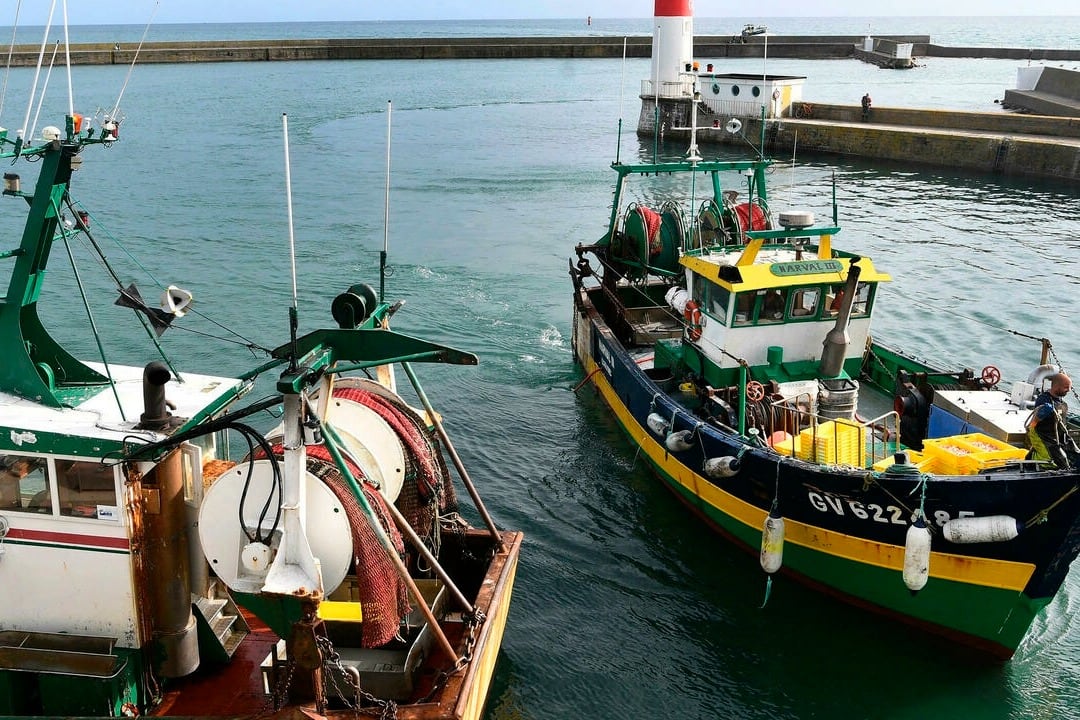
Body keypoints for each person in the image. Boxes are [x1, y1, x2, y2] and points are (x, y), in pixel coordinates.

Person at [1027, 372, 1080, 469]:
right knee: (1059, 462)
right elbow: (1033, 423)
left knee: (1076, 454)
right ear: (1056, 386)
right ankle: (1033, 460)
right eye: (1066, 387)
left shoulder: (1062, 403)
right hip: (1044, 436)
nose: (1068, 390)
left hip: (1059, 437)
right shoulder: (1043, 399)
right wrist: (1041, 414)